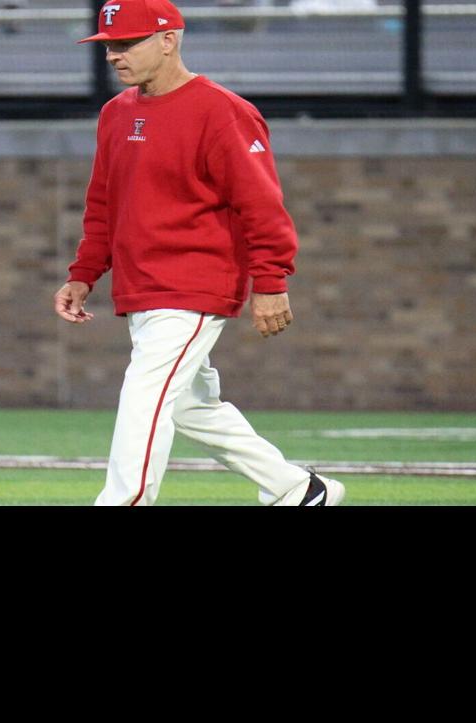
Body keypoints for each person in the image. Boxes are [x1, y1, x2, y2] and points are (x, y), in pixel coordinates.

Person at [54, 0, 344, 506]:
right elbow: (103, 202)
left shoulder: (222, 111)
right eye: (109, 46)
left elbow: (262, 206)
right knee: (191, 407)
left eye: (127, 44)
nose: (115, 56)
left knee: (143, 398)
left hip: (194, 286)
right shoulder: (115, 113)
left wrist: (271, 283)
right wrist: (84, 273)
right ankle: (299, 489)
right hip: (141, 288)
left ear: (169, 40)